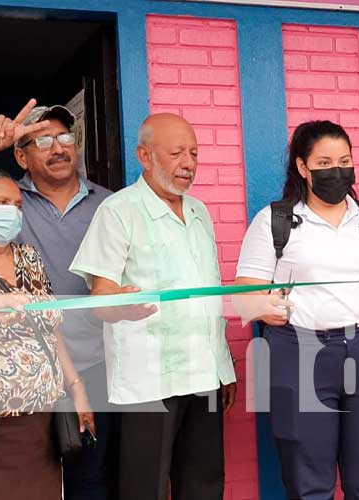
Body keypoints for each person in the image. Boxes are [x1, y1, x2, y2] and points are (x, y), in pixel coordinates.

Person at [234, 120, 359, 499]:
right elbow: (244, 296)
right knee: (309, 485)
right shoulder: (276, 221)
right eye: (324, 162)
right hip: (300, 354)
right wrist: (264, 307)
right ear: (302, 167)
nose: (336, 170)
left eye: (344, 160)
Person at [69, 113, 237, 500]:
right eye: (177, 153)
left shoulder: (199, 212)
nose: (189, 164)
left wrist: (223, 367)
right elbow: (101, 298)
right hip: (149, 379)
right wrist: (122, 307)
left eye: (194, 153)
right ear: (144, 156)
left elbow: (208, 297)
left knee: (204, 481)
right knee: (145, 485)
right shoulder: (118, 210)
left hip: (204, 373)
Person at [12, 103, 115, 500]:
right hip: (27, 368)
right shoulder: (5, 201)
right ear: (21, 155)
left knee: (91, 475)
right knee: (30, 477)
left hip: (98, 364)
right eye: (43, 141)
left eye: (65, 138)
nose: (58, 148)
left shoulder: (110, 205)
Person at [0, 169, 94, 500]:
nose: (12, 212)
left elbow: (50, 331)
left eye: (18, 205)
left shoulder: (29, 259)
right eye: (1, 203)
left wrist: (76, 387)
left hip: (41, 419)